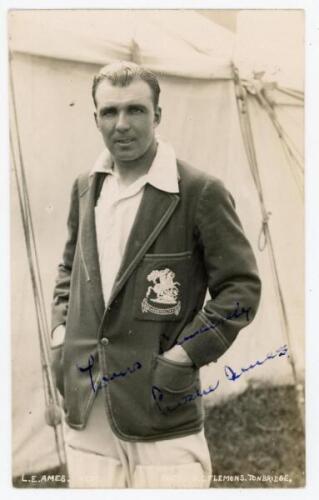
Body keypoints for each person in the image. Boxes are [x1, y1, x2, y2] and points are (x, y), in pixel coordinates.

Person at [50, 61, 261, 488]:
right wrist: (60, 339)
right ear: (95, 119)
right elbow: (70, 269)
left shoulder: (199, 191)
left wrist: (182, 357)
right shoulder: (85, 187)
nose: (122, 125)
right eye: (109, 112)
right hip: (86, 401)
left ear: (158, 116)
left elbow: (240, 289)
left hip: (160, 403)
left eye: (136, 110)